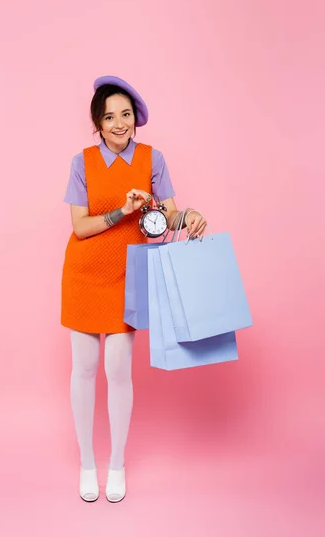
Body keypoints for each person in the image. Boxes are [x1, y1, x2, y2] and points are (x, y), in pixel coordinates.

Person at [61, 76, 207, 503]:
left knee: (118, 371)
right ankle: (87, 463)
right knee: (84, 369)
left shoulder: (152, 158)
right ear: (98, 123)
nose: (119, 123)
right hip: (85, 275)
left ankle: (117, 463)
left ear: (135, 118)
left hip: (129, 277)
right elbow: (80, 226)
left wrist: (190, 216)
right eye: (109, 117)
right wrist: (121, 212)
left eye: (125, 114)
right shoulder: (81, 162)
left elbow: (171, 216)